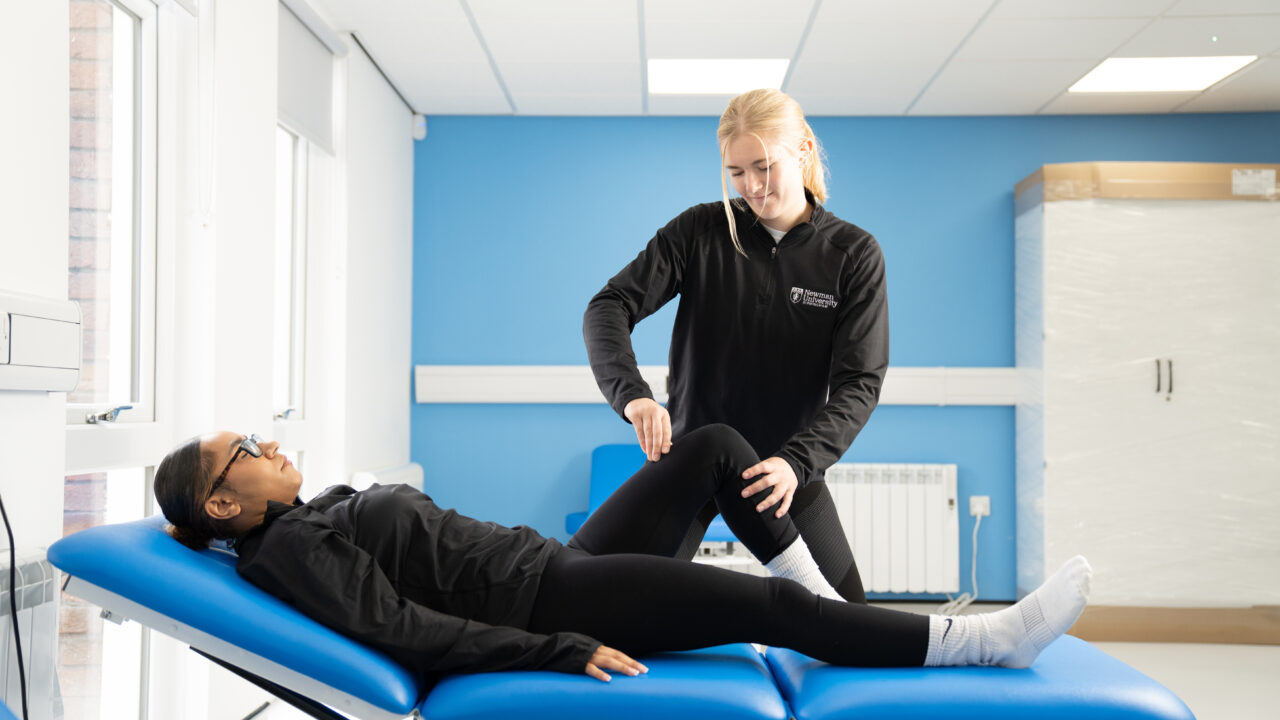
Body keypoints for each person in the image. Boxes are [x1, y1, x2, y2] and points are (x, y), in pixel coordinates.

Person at [153, 425, 1091, 682]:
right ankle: (983, 645)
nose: (271, 446)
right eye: (248, 453)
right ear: (223, 502)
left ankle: (826, 620)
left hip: (551, 564)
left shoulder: (301, 518)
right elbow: (404, 632)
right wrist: (556, 648)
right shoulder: (288, 551)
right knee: (759, 610)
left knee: (717, 447)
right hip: (552, 605)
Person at [584, 88, 886, 602]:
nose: (751, 186)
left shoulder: (852, 254)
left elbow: (860, 383)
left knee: (850, 621)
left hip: (787, 471)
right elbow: (608, 306)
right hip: (691, 460)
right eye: (737, 171)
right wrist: (631, 395)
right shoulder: (700, 230)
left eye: (763, 166)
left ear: (804, 150)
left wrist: (797, 461)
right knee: (623, 610)